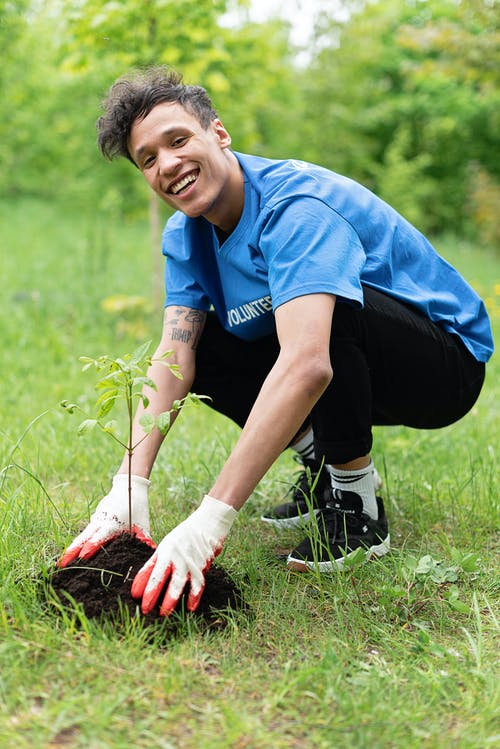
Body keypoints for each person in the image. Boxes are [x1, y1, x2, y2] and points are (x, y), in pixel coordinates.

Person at [58, 67, 493, 617]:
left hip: (442, 365)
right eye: (147, 158)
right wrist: (129, 483)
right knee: (204, 345)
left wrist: (210, 520)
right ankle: (320, 472)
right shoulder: (187, 235)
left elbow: (308, 364)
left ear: (219, 134)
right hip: (350, 362)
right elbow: (175, 356)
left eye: (178, 140)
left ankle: (356, 506)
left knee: (326, 316)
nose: (167, 163)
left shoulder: (296, 208)